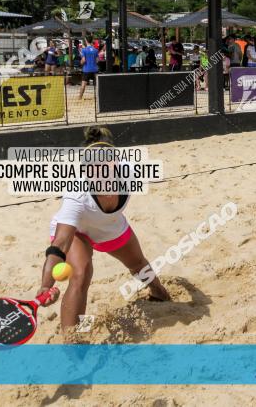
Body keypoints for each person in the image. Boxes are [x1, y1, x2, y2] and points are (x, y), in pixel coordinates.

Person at [36, 126, 170, 331]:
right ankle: (72, 342)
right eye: (93, 166)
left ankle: (159, 293)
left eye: (105, 162)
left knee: (137, 263)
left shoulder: (130, 173)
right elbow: (60, 244)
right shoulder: (76, 196)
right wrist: (46, 285)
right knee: (81, 273)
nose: (100, 170)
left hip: (109, 225)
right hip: (77, 231)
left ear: (116, 163)